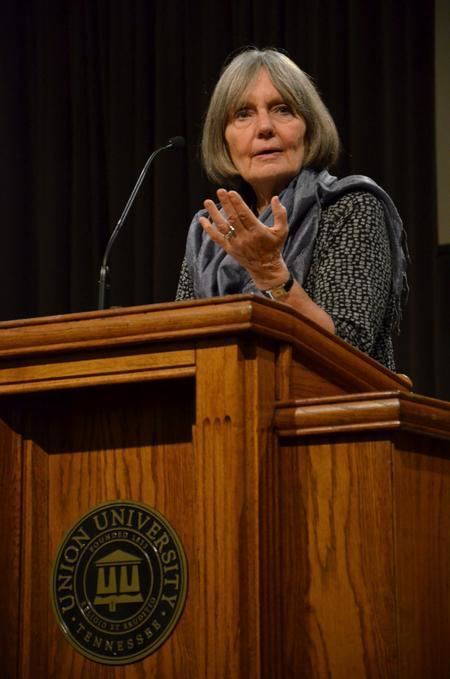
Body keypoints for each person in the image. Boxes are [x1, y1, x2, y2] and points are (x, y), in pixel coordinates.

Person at [176, 47, 408, 370]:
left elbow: (349, 348)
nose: (264, 127)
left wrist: (271, 273)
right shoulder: (209, 233)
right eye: (243, 114)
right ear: (224, 138)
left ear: (308, 128)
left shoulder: (350, 208)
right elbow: (181, 350)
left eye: (282, 109)